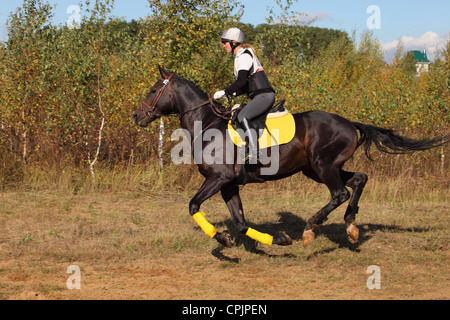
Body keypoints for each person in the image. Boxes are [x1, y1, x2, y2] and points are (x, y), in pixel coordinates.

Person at [214, 27, 275, 164]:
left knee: (243, 116)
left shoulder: (244, 56)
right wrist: (232, 93)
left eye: (225, 42)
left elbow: (240, 81)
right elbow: (245, 86)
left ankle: (255, 153)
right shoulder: (240, 57)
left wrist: (225, 91)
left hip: (264, 96)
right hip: (259, 95)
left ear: (233, 42)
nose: (223, 45)